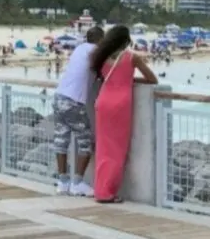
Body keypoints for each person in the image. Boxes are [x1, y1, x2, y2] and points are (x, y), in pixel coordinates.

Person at [89, 25, 158, 203]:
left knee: (104, 148)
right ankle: (107, 193)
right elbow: (152, 79)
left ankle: (100, 189)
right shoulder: (131, 57)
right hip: (120, 105)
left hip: (103, 102)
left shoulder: (101, 57)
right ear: (126, 40)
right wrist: (129, 78)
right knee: (117, 150)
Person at [53, 26, 105, 196]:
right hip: (74, 101)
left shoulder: (79, 49)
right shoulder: (96, 51)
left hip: (59, 96)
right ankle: (78, 182)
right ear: (101, 40)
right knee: (86, 141)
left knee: (61, 140)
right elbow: (105, 71)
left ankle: (62, 182)